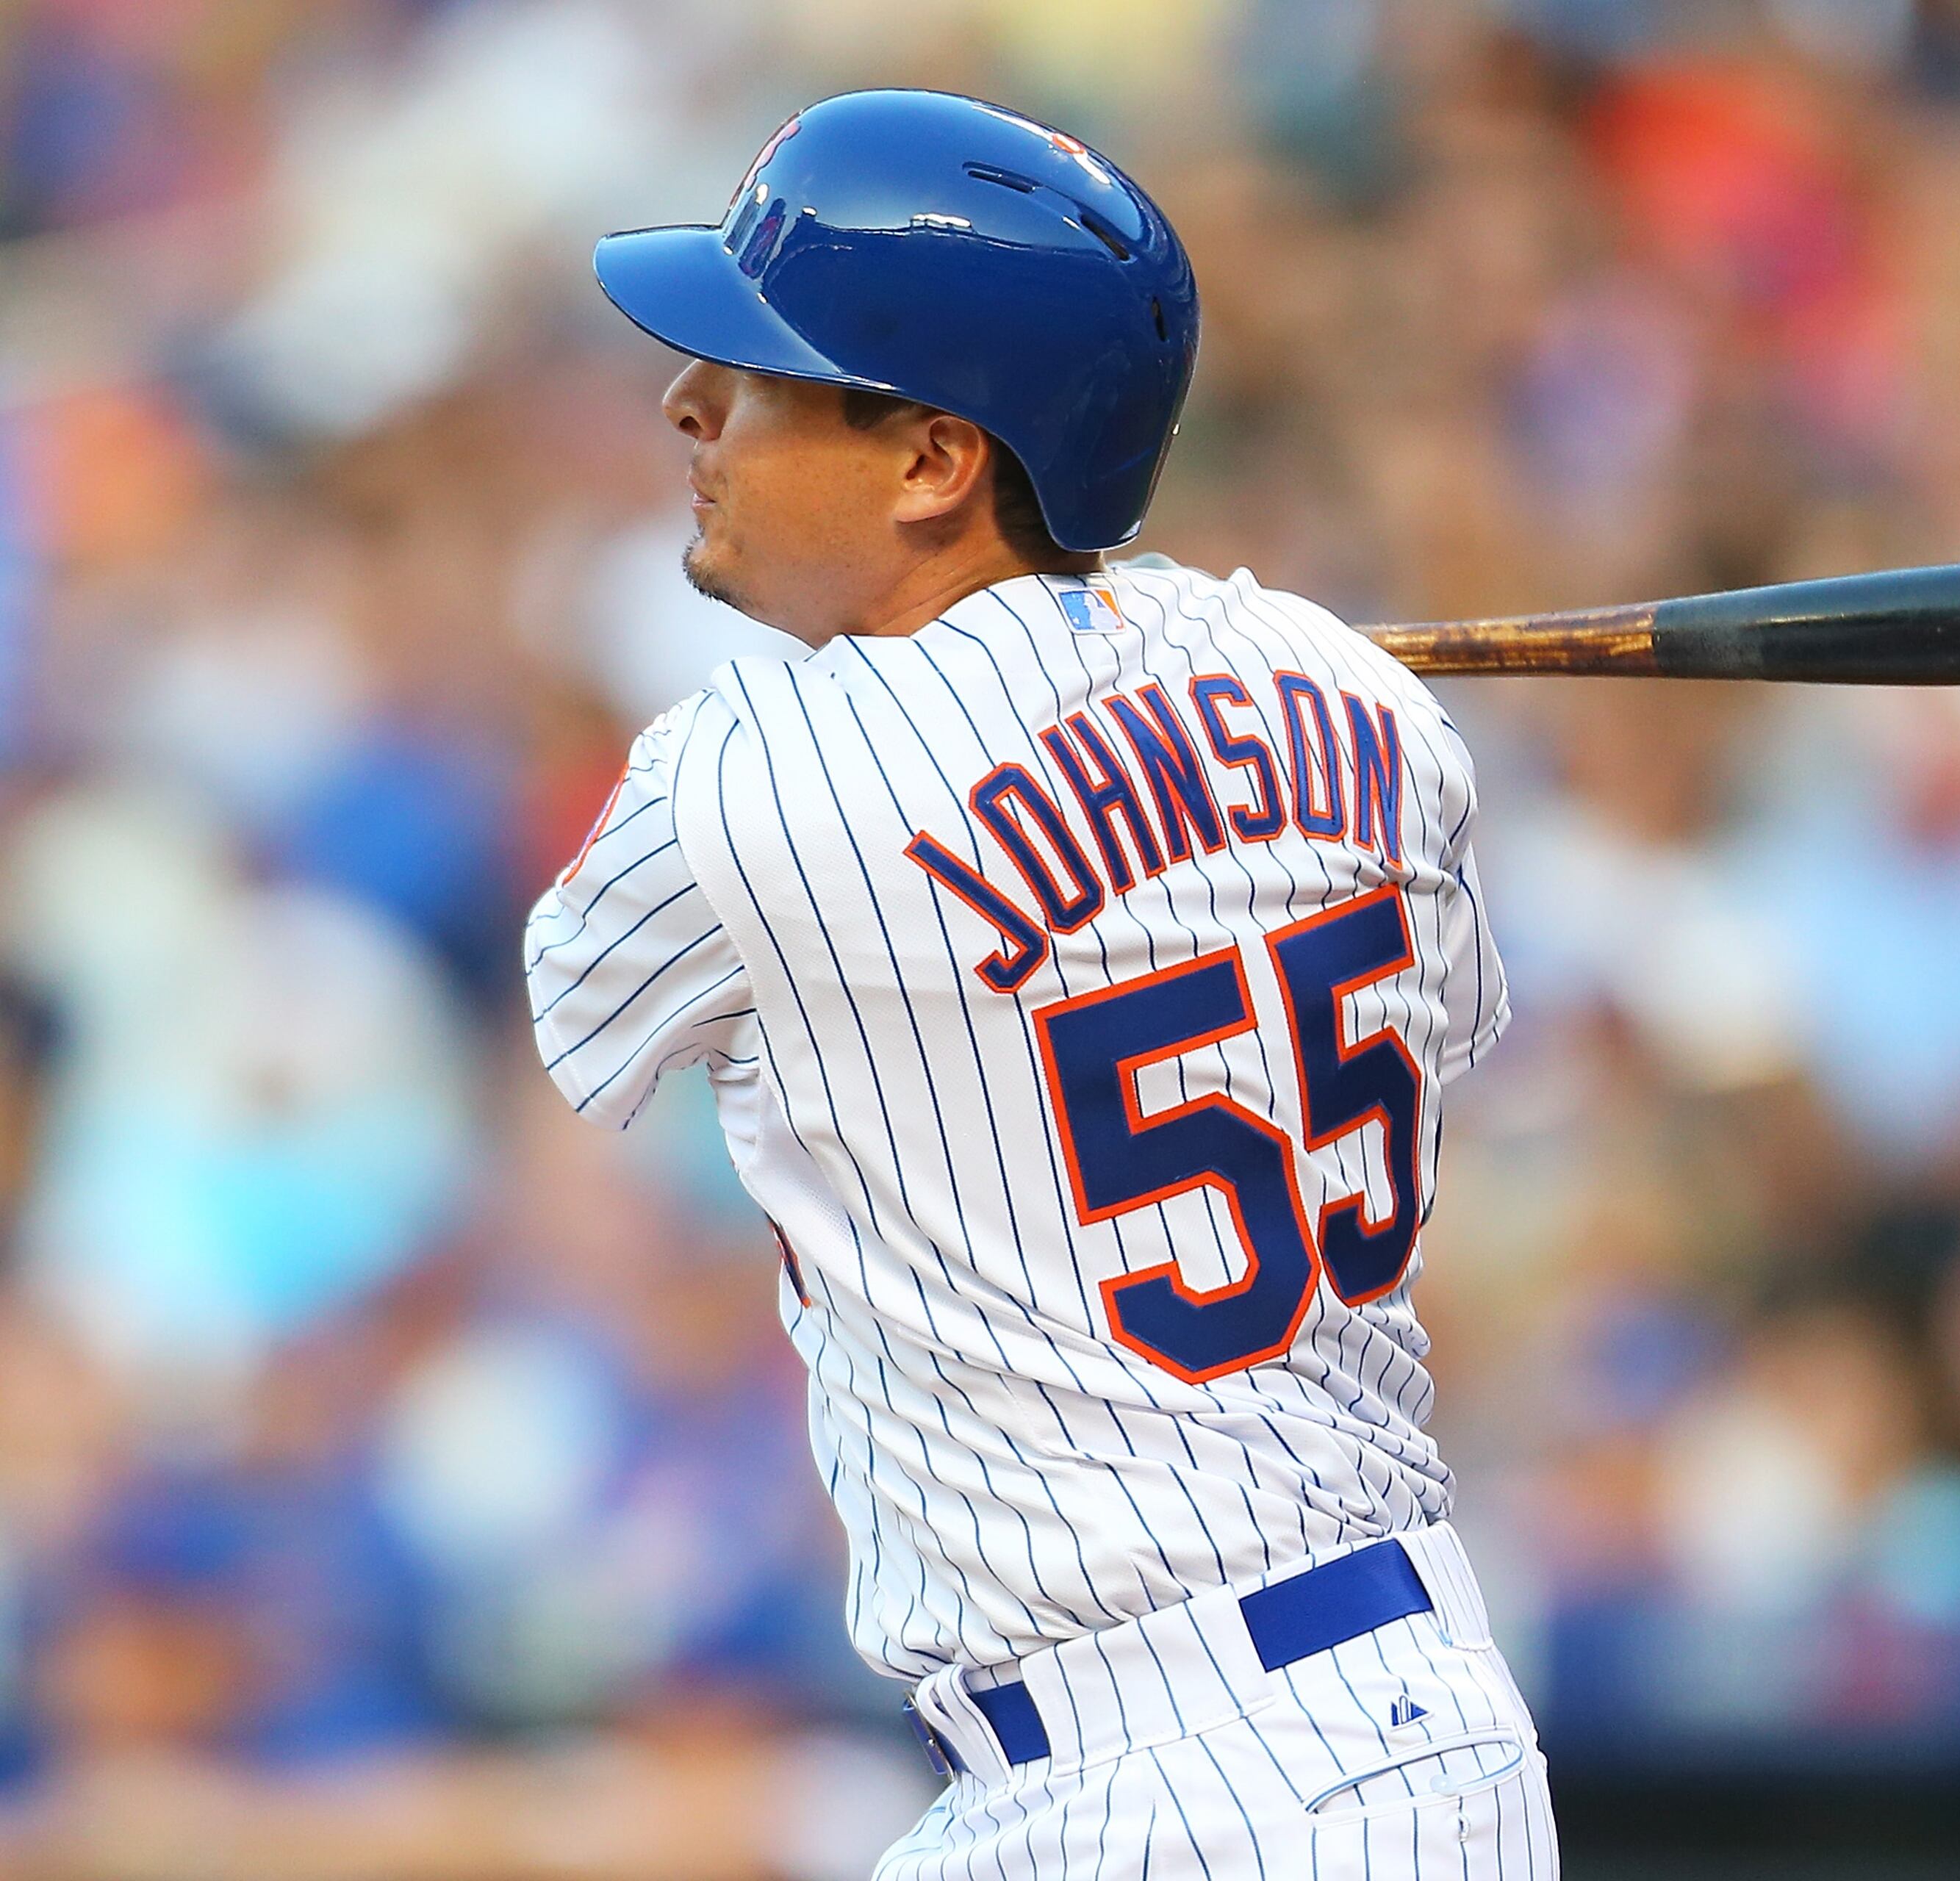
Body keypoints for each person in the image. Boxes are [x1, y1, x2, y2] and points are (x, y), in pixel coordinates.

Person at [524, 91, 1554, 1878]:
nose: (688, 406)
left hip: (1179, 1766)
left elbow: (580, 1002)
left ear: (938, 460)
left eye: (761, 372)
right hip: (1364, 1724)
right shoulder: (1354, 689)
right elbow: (1440, 1023)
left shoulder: (747, 778)